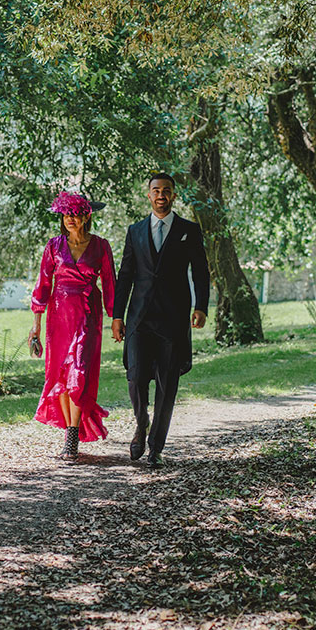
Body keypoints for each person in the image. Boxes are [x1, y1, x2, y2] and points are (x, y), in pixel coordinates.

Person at [112, 172, 209, 468]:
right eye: (156, 190)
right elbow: (125, 274)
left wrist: (201, 306)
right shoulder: (135, 231)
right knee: (136, 377)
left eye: (166, 190)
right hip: (139, 318)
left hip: (173, 318)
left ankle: (156, 447)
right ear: (149, 194)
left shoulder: (188, 230)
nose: (161, 195)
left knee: (167, 385)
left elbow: (201, 271)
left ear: (174, 195)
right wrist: (117, 315)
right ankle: (141, 423)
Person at [29, 191, 116, 462]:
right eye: (66, 214)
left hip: (88, 314)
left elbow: (111, 285)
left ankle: (72, 436)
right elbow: (43, 287)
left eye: (76, 214)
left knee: (78, 370)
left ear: (87, 216)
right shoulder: (53, 246)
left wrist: (116, 319)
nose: (71, 219)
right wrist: (36, 327)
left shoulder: (101, 246)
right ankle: (70, 434)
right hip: (59, 315)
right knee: (61, 376)